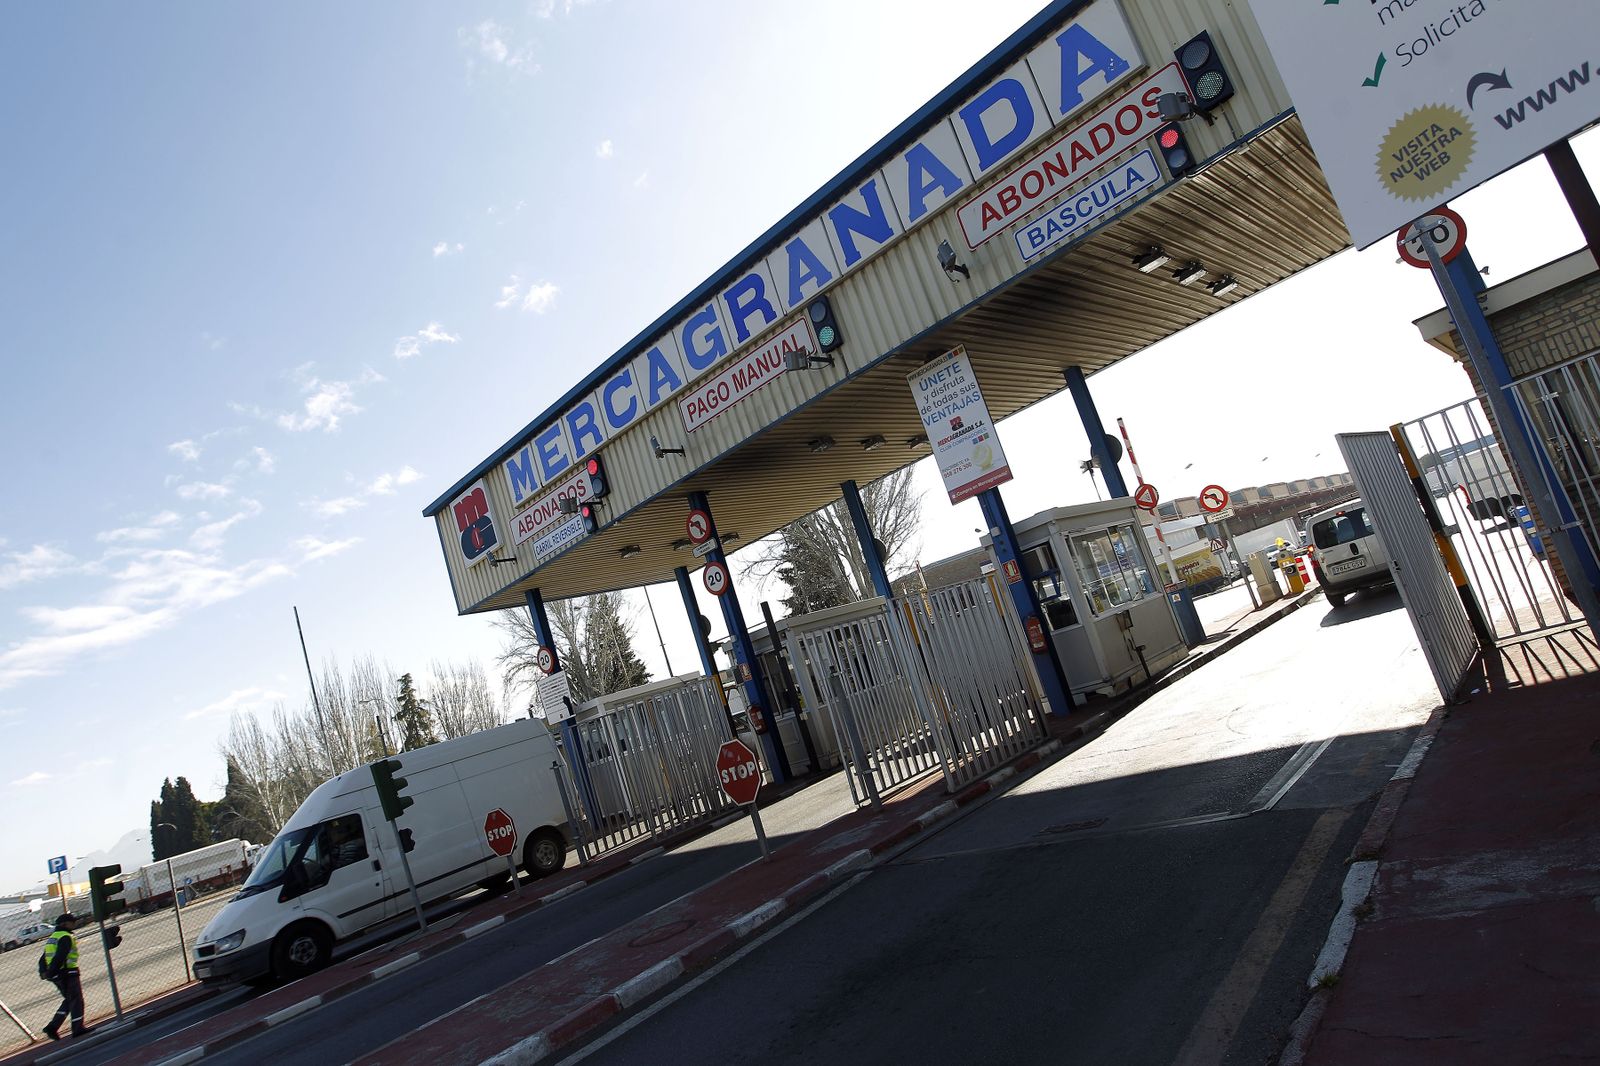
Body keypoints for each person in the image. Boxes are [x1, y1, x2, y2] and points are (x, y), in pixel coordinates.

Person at [41, 912, 92, 1040]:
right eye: (72, 922)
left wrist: (44, 972)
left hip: (58, 974)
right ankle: (77, 1028)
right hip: (67, 973)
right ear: (64, 924)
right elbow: (60, 956)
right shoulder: (65, 937)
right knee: (76, 1000)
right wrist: (52, 971)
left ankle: (53, 1027)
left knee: (69, 1000)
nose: (74, 923)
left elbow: (43, 957)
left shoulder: (53, 937)